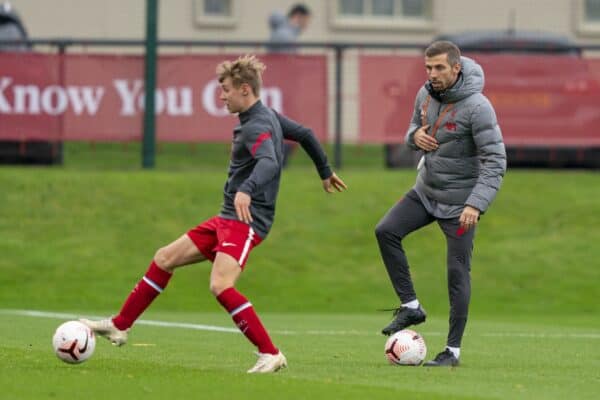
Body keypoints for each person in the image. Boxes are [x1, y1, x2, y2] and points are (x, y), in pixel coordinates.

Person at [82, 55, 347, 374]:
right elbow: (304, 133)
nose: (221, 96)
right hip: (226, 219)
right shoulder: (266, 116)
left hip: (247, 221)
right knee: (165, 257)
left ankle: (271, 353)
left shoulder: (258, 125)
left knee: (221, 285)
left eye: (225, 90)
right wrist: (325, 171)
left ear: (244, 89)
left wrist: (247, 189)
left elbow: (269, 163)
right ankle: (120, 325)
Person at [375, 41, 506, 367]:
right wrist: (413, 137)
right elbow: (411, 129)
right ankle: (410, 306)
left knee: (456, 273)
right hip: (426, 191)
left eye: (439, 68)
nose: (432, 74)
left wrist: (476, 204)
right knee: (385, 231)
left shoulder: (479, 107)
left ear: (456, 68)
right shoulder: (425, 93)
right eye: (428, 68)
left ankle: (452, 352)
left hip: (461, 204)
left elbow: (496, 162)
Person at [267, 3, 311, 167]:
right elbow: (287, 66)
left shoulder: (281, 34)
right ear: (298, 16)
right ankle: (280, 160)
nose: (306, 26)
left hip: (283, 89)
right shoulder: (285, 36)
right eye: (306, 21)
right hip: (285, 90)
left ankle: (280, 159)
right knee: (288, 125)